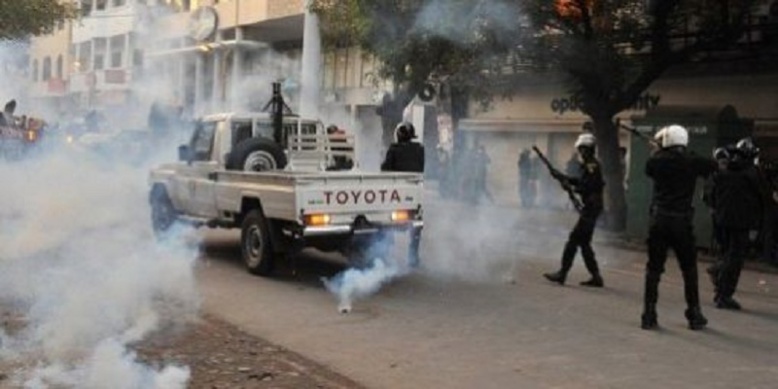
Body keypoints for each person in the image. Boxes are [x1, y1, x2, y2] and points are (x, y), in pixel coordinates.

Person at [641, 124, 717, 330]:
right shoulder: (692, 161)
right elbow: (711, 165)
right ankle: (694, 313)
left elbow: (650, 168)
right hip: (682, 222)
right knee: (689, 269)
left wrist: (657, 150)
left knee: (654, 269)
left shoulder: (656, 160)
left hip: (659, 219)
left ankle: (649, 314)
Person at [543, 133, 605, 287]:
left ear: (588, 149)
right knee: (584, 243)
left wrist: (571, 186)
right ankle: (596, 277)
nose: (581, 152)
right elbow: (583, 182)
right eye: (580, 149)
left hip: (591, 207)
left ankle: (562, 273)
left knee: (573, 240)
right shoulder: (590, 164)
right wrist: (563, 177)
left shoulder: (592, 165)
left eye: (583, 149)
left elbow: (589, 186)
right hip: (592, 207)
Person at [710, 138, 765, 310]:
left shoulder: (725, 171)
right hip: (742, 221)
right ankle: (724, 294)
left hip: (723, 219)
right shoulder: (752, 174)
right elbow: (762, 197)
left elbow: (713, 193)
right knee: (735, 258)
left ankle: (720, 279)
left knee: (728, 254)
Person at [381, 122, 425, 267]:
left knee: (387, 223)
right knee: (416, 224)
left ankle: (387, 254)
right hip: (413, 191)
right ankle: (413, 257)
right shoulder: (420, 149)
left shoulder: (394, 149)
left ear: (398, 135)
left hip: (395, 192)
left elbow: (386, 170)